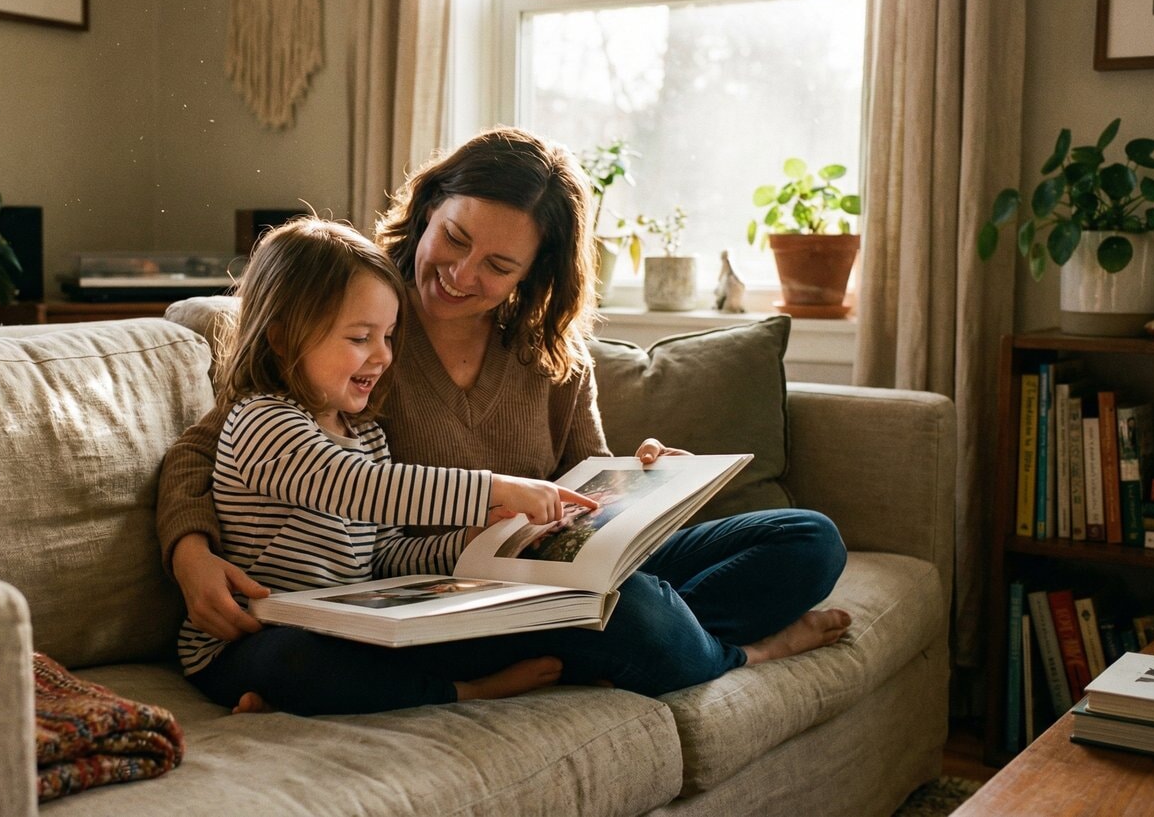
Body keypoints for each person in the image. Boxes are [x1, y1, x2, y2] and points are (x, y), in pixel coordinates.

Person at [160, 125, 851, 712]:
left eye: (497, 264)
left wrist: (639, 483)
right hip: (443, 608)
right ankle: (706, 648)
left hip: (539, 570)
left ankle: (637, 639)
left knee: (808, 539)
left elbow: (588, 497)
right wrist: (189, 553)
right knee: (635, 612)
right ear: (429, 208)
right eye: (454, 238)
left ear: (534, 272)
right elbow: (205, 448)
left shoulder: (550, 355)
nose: (461, 273)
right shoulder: (351, 318)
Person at [178, 217, 601, 715]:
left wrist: (465, 546)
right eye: (360, 338)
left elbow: (384, 555)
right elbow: (357, 487)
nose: (382, 356)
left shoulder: (368, 437)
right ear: (283, 339)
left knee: (404, 639)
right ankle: (465, 694)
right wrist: (493, 489)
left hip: (341, 626)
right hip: (244, 642)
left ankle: (292, 704)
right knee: (299, 659)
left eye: (389, 336)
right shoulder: (262, 422)